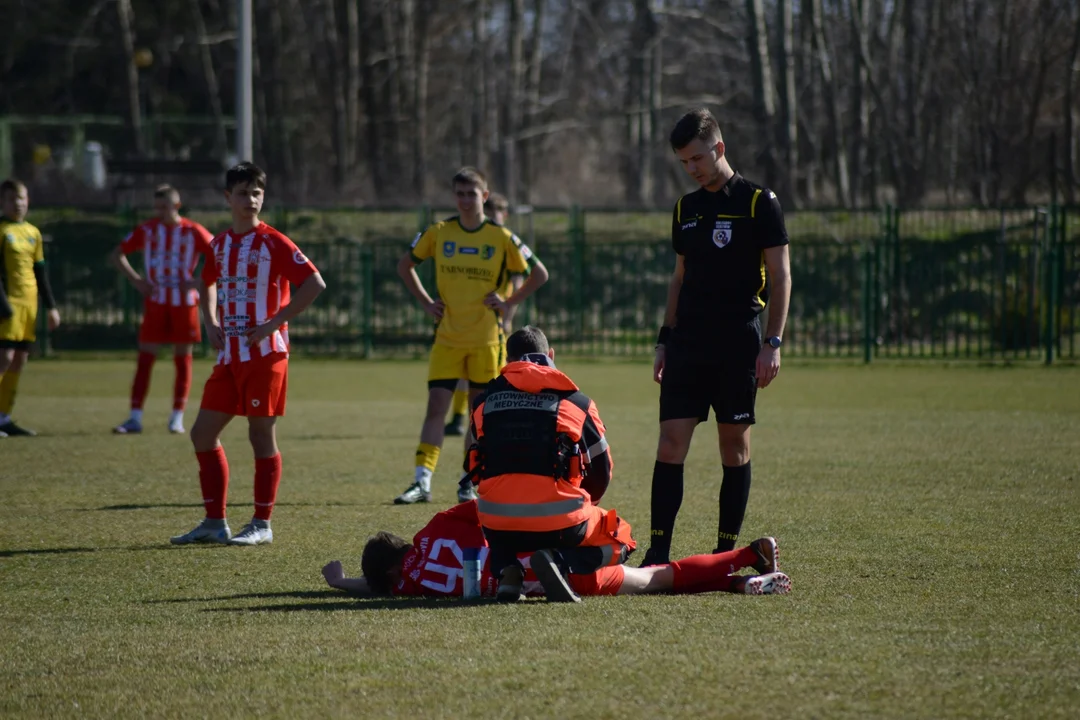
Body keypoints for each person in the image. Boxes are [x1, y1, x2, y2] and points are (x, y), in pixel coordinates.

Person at [641, 108, 792, 567]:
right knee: (670, 443)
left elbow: (782, 276)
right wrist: (664, 339)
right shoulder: (686, 208)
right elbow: (679, 276)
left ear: (719, 148)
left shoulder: (758, 202)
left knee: (734, 446)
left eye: (697, 158)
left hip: (739, 344)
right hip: (688, 343)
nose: (692, 168)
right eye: (684, 162)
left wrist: (773, 343)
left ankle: (724, 551)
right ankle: (659, 549)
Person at [169, 162, 326, 546]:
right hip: (229, 356)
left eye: (256, 193)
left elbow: (314, 283)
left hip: (266, 355)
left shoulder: (273, 241)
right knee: (202, 434)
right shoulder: (219, 244)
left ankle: (261, 523)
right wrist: (209, 322)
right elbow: (204, 281)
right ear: (228, 198)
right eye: (242, 193)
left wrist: (275, 323)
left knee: (260, 434)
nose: (250, 200)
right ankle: (214, 522)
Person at [395, 168, 548, 506]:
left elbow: (539, 272)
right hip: (447, 338)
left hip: (486, 340)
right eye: (460, 194)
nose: (465, 200)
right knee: (436, 407)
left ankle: (469, 481)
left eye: (472, 194)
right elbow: (405, 265)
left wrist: (508, 303)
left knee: (480, 414)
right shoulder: (439, 232)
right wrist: (425, 302)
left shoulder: (501, 236)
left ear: (485, 195)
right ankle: (422, 481)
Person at [460, 325, 631, 603]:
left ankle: (508, 572)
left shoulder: (482, 403)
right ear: (550, 354)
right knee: (621, 536)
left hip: (497, 523)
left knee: (499, 508)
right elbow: (602, 473)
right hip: (562, 525)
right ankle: (558, 560)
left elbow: (475, 467)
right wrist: (578, 505)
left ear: (508, 361)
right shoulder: (577, 403)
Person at [321, 501, 790, 599]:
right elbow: (490, 506)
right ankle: (744, 559)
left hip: (533, 582)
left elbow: (370, 586)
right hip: (543, 557)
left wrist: (340, 581)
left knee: (654, 583)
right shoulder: (436, 525)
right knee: (657, 575)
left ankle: (741, 576)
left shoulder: (404, 584)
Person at [109, 185, 214, 435]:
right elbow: (117, 254)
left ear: (176, 206)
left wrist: (199, 280)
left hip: (184, 304)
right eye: (156, 207)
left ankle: (176, 417)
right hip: (156, 302)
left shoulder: (193, 231)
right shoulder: (147, 230)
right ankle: (135, 417)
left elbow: (219, 257)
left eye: (164, 207)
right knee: (145, 359)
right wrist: (137, 281)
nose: (160, 212)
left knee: (182, 360)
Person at [444, 192, 525, 436]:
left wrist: (508, 310)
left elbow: (519, 279)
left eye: (495, 220)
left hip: (493, 322)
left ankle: (496, 416)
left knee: (497, 374)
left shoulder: (506, 242)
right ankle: (460, 417)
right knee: (462, 374)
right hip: (467, 320)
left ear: (505, 216)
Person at [0, 179, 60, 438]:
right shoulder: (1, 230)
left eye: (22, 198)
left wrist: (51, 307)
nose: (18, 203)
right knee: (4, 359)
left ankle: (4, 417)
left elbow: (40, 273)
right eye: (12, 199)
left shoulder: (33, 233)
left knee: (19, 361)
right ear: (2, 202)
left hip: (29, 305)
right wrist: (3, 306)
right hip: (7, 304)